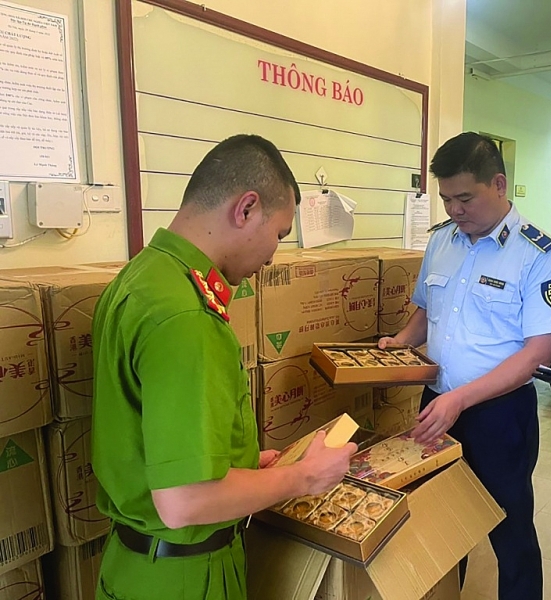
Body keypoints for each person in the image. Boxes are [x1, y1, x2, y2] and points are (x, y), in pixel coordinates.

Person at [91, 134, 357, 600]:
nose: (274, 255)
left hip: (135, 566)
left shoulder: (145, 276)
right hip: (186, 578)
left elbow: (148, 437)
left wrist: (242, 467)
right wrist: (302, 477)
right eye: (277, 234)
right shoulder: (188, 316)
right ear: (246, 208)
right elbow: (183, 501)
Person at [379, 132, 551, 600]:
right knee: (442, 518)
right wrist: (400, 342)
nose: (454, 210)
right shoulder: (442, 242)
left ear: (499, 184)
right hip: (438, 403)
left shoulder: (540, 255)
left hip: (499, 415)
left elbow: (537, 354)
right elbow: (428, 311)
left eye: (464, 198)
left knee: (507, 526)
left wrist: (460, 400)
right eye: (446, 199)